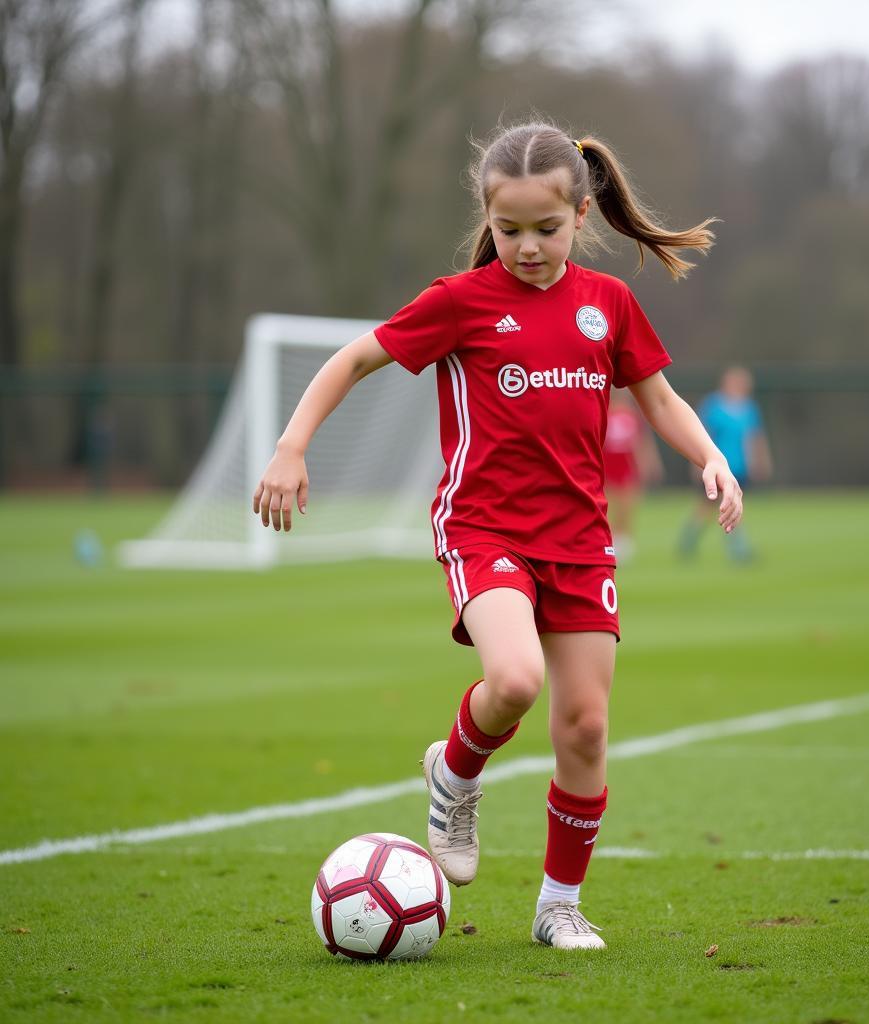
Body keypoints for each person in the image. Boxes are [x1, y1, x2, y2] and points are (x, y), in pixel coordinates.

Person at [251, 121, 742, 951]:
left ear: (581, 215)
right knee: (513, 679)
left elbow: (658, 399)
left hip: (582, 540)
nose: (526, 246)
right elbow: (351, 361)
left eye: (545, 230)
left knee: (584, 727)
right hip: (484, 528)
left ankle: (558, 907)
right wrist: (291, 445)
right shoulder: (460, 302)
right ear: (488, 215)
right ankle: (454, 772)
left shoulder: (608, 304)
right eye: (508, 229)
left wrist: (712, 458)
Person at [680, 366, 771, 562]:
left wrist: (759, 461)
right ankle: (692, 541)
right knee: (708, 506)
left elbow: (754, 437)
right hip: (717, 467)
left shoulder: (748, 408)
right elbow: (701, 434)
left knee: (733, 505)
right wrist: (697, 464)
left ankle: (736, 548)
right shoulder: (713, 406)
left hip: (739, 467)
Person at [602, 388, 664, 560]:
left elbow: (641, 441)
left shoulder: (633, 415)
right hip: (608, 464)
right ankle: (609, 541)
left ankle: (624, 541)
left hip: (626, 464)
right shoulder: (604, 412)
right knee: (608, 505)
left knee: (627, 504)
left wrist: (648, 463)